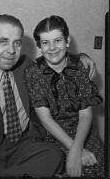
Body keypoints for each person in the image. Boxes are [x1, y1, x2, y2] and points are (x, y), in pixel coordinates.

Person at [0, 14, 95, 177]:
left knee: (54, 155)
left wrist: (79, 58)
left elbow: (52, 59)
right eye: (3, 41)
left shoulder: (25, 66)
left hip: (24, 145)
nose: (11, 51)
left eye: (17, 43)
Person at [24, 15, 104, 177]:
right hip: (52, 134)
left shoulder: (79, 67)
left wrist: (77, 148)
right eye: (45, 43)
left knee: (97, 165)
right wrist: (73, 150)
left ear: (67, 41)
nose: (52, 48)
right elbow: (46, 120)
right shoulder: (34, 73)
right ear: (39, 46)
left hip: (83, 131)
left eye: (58, 40)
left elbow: (85, 115)